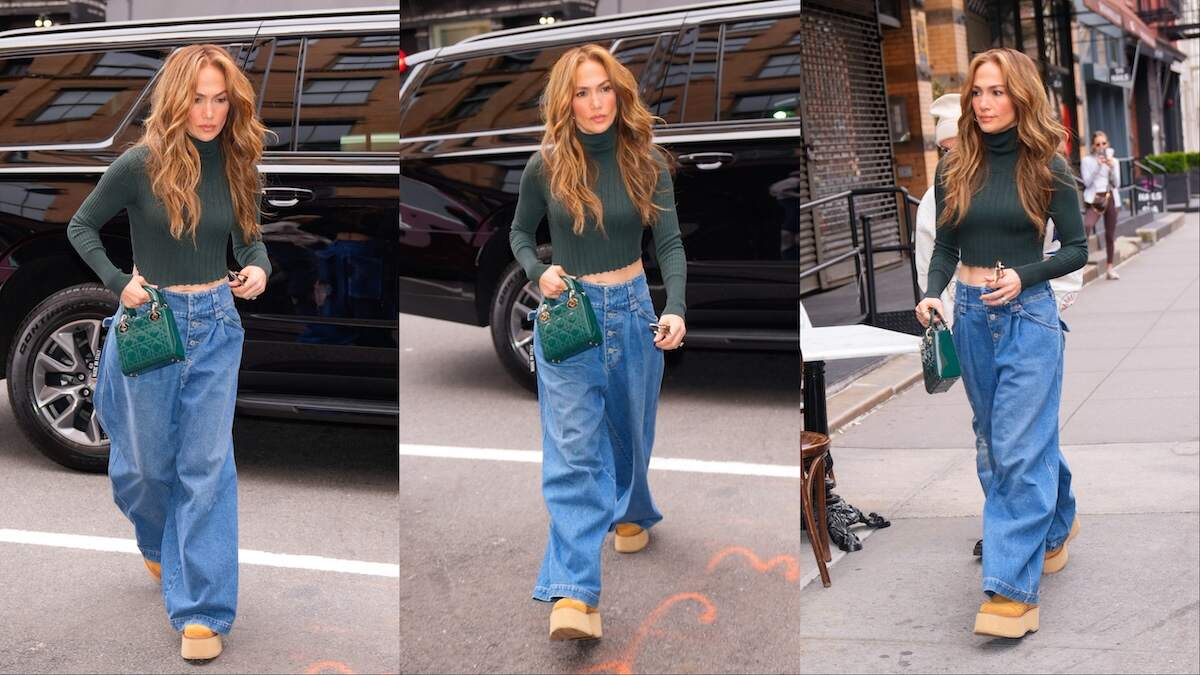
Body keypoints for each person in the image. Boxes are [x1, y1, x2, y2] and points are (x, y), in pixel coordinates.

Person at [68, 44, 271, 662]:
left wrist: (257, 270)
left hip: (215, 323)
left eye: (220, 100)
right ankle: (157, 541)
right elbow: (80, 226)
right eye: (197, 100)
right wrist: (116, 283)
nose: (209, 113)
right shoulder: (139, 164)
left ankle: (202, 611)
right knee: (143, 466)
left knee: (206, 467)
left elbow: (251, 242)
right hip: (151, 319)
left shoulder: (236, 164)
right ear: (175, 100)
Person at [508, 44, 686, 641]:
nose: (594, 102)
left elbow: (669, 244)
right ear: (566, 102)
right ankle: (574, 593)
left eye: (603, 88)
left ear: (620, 92)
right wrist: (538, 272)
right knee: (574, 453)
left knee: (630, 431)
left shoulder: (646, 162)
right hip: (568, 313)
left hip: (634, 308)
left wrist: (677, 307)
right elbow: (518, 232)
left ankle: (632, 509)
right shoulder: (547, 165)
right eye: (581, 92)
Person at [914, 48, 1086, 639]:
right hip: (967, 319)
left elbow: (1077, 250)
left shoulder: (1048, 167)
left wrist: (1025, 275)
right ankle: (1058, 523)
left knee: (1016, 446)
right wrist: (934, 293)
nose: (984, 103)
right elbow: (943, 246)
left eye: (996, 92)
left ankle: (1011, 589)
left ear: (1021, 97)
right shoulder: (953, 167)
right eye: (977, 93)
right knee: (999, 441)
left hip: (1028, 316)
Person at [1080, 130, 1122, 280]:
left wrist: (1111, 168)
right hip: (1095, 199)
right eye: (1098, 144)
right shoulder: (1087, 161)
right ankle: (1081, 265)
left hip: (1110, 197)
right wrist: (1098, 166)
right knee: (1087, 226)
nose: (1101, 146)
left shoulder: (1114, 161)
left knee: (1110, 235)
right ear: (1093, 146)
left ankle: (1110, 268)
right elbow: (1087, 182)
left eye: (1104, 143)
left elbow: (1117, 184)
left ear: (1108, 144)